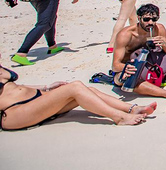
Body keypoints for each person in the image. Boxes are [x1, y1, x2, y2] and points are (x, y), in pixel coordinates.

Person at [0, 53, 153, 129]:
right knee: (75, 88)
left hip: (36, 99)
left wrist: (46, 87)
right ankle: (119, 117)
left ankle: (132, 109)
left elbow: (16, 87)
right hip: (15, 111)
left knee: (88, 90)